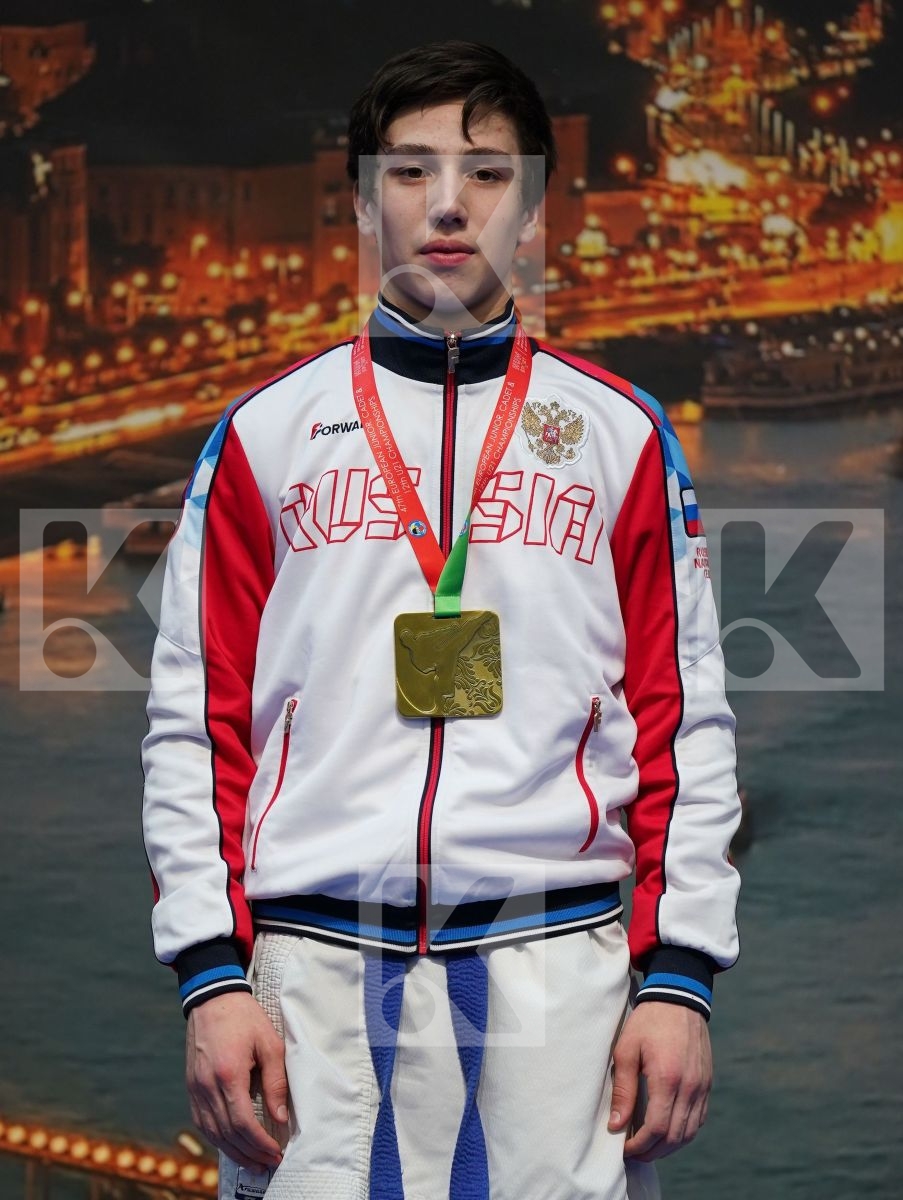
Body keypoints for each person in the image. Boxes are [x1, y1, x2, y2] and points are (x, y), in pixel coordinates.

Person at [141, 40, 741, 1200]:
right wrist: (212, 979)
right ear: (362, 200)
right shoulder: (264, 435)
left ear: (535, 207)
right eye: (410, 172)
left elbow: (685, 726)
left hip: (559, 975)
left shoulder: (621, 438)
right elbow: (192, 725)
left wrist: (677, 983)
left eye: (487, 171)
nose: (449, 203)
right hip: (305, 977)